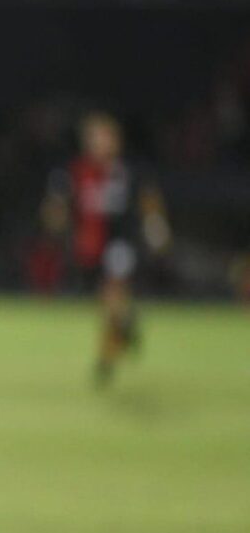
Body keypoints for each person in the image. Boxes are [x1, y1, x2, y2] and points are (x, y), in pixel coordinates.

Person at [44, 110, 171, 386]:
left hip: (121, 243)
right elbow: (57, 205)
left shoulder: (128, 171)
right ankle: (126, 325)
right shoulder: (75, 172)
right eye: (93, 138)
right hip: (90, 248)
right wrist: (56, 218)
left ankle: (106, 358)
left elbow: (149, 200)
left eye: (104, 137)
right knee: (108, 304)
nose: (99, 144)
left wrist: (156, 227)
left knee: (111, 293)